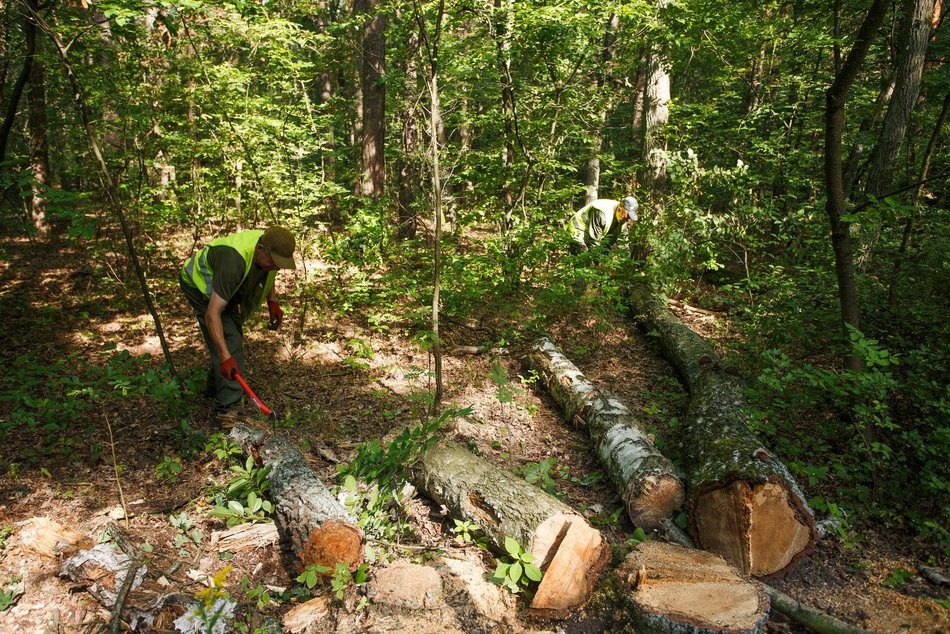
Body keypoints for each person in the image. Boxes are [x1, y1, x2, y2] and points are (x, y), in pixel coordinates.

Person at [180, 226, 297, 416]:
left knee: (230, 338)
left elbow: (268, 273)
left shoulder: (267, 251)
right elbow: (213, 315)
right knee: (229, 341)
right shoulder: (234, 261)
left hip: (227, 289)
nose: (276, 267)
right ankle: (228, 411)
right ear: (260, 250)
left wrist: (272, 301)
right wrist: (226, 357)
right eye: (274, 263)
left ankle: (214, 387)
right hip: (199, 285)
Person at [569, 196, 639, 253]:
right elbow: (594, 240)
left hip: (593, 233)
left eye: (630, 217)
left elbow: (623, 243)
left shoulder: (622, 220)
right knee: (584, 257)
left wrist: (626, 264)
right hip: (578, 228)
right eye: (627, 216)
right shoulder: (602, 212)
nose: (627, 219)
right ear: (619, 209)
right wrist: (599, 263)